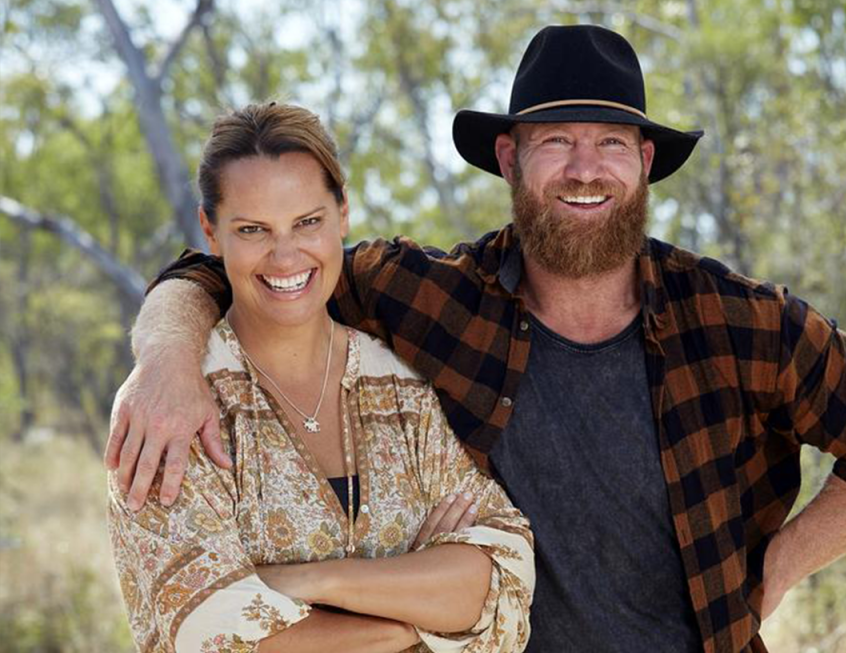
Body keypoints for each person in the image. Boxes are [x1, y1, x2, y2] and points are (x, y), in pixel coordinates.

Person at [107, 25, 846, 653]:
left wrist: (778, 566)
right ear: (510, 158)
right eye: (557, 142)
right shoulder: (429, 296)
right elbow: (254, 263)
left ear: (646, 162)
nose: (585, 168)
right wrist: (168, 357)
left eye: (611, 143)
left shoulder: (740, 322)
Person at [106, 103, 534, 652]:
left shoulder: (399, 388)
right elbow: (209, 631)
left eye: (308, 222)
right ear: (211, 231)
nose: (286, 256)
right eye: (253, 229)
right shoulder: (171, 406)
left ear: (343, 214)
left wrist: (317, 580)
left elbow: (504, 575)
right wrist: (410, 619)